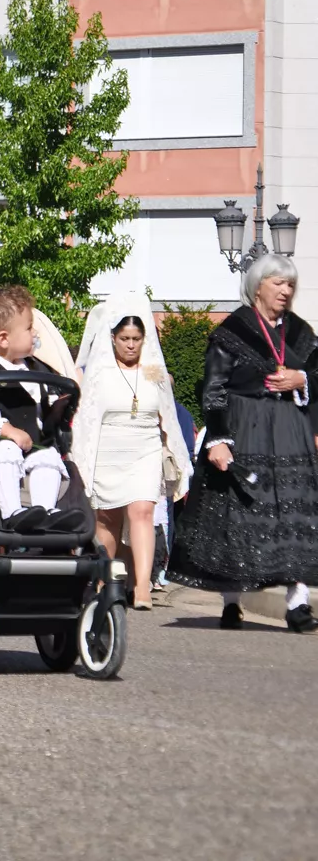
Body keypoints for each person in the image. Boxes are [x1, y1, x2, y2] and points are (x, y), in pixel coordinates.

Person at [168, 254, 318, 634]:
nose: (286, 291)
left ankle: (297, 604)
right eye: (279, 284)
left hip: (290, 429)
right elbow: (213, 390)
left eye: (291, 286)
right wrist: (217, 439)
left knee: (295, 517)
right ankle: (232, 600)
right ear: (258, 286)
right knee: (239, 515)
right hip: (244, 426)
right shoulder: (233, 330)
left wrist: (302, 379)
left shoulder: (301, 332)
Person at [70, 295, 192, 610]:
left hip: (145, 448)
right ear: (112, 338)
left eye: (137, 339)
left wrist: (176, 454)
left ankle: (141, 588)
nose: (130, 345)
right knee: (107, 519)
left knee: (143, 512)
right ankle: (104, 581)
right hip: (108, 450)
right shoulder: (97, 373)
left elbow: (166, 410)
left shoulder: (153, 371)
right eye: (124, 339)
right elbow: (85, 420)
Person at [0, 287, 81, 534]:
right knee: (6, 448)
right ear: (4, 339)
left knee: (48, 456)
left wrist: (59, 405)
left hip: (32, 446)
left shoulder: (37, 368)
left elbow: (42, 409)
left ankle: (45, 512)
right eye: (29, 328)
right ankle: (12, 513)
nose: (35, 333)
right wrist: (6, 429)